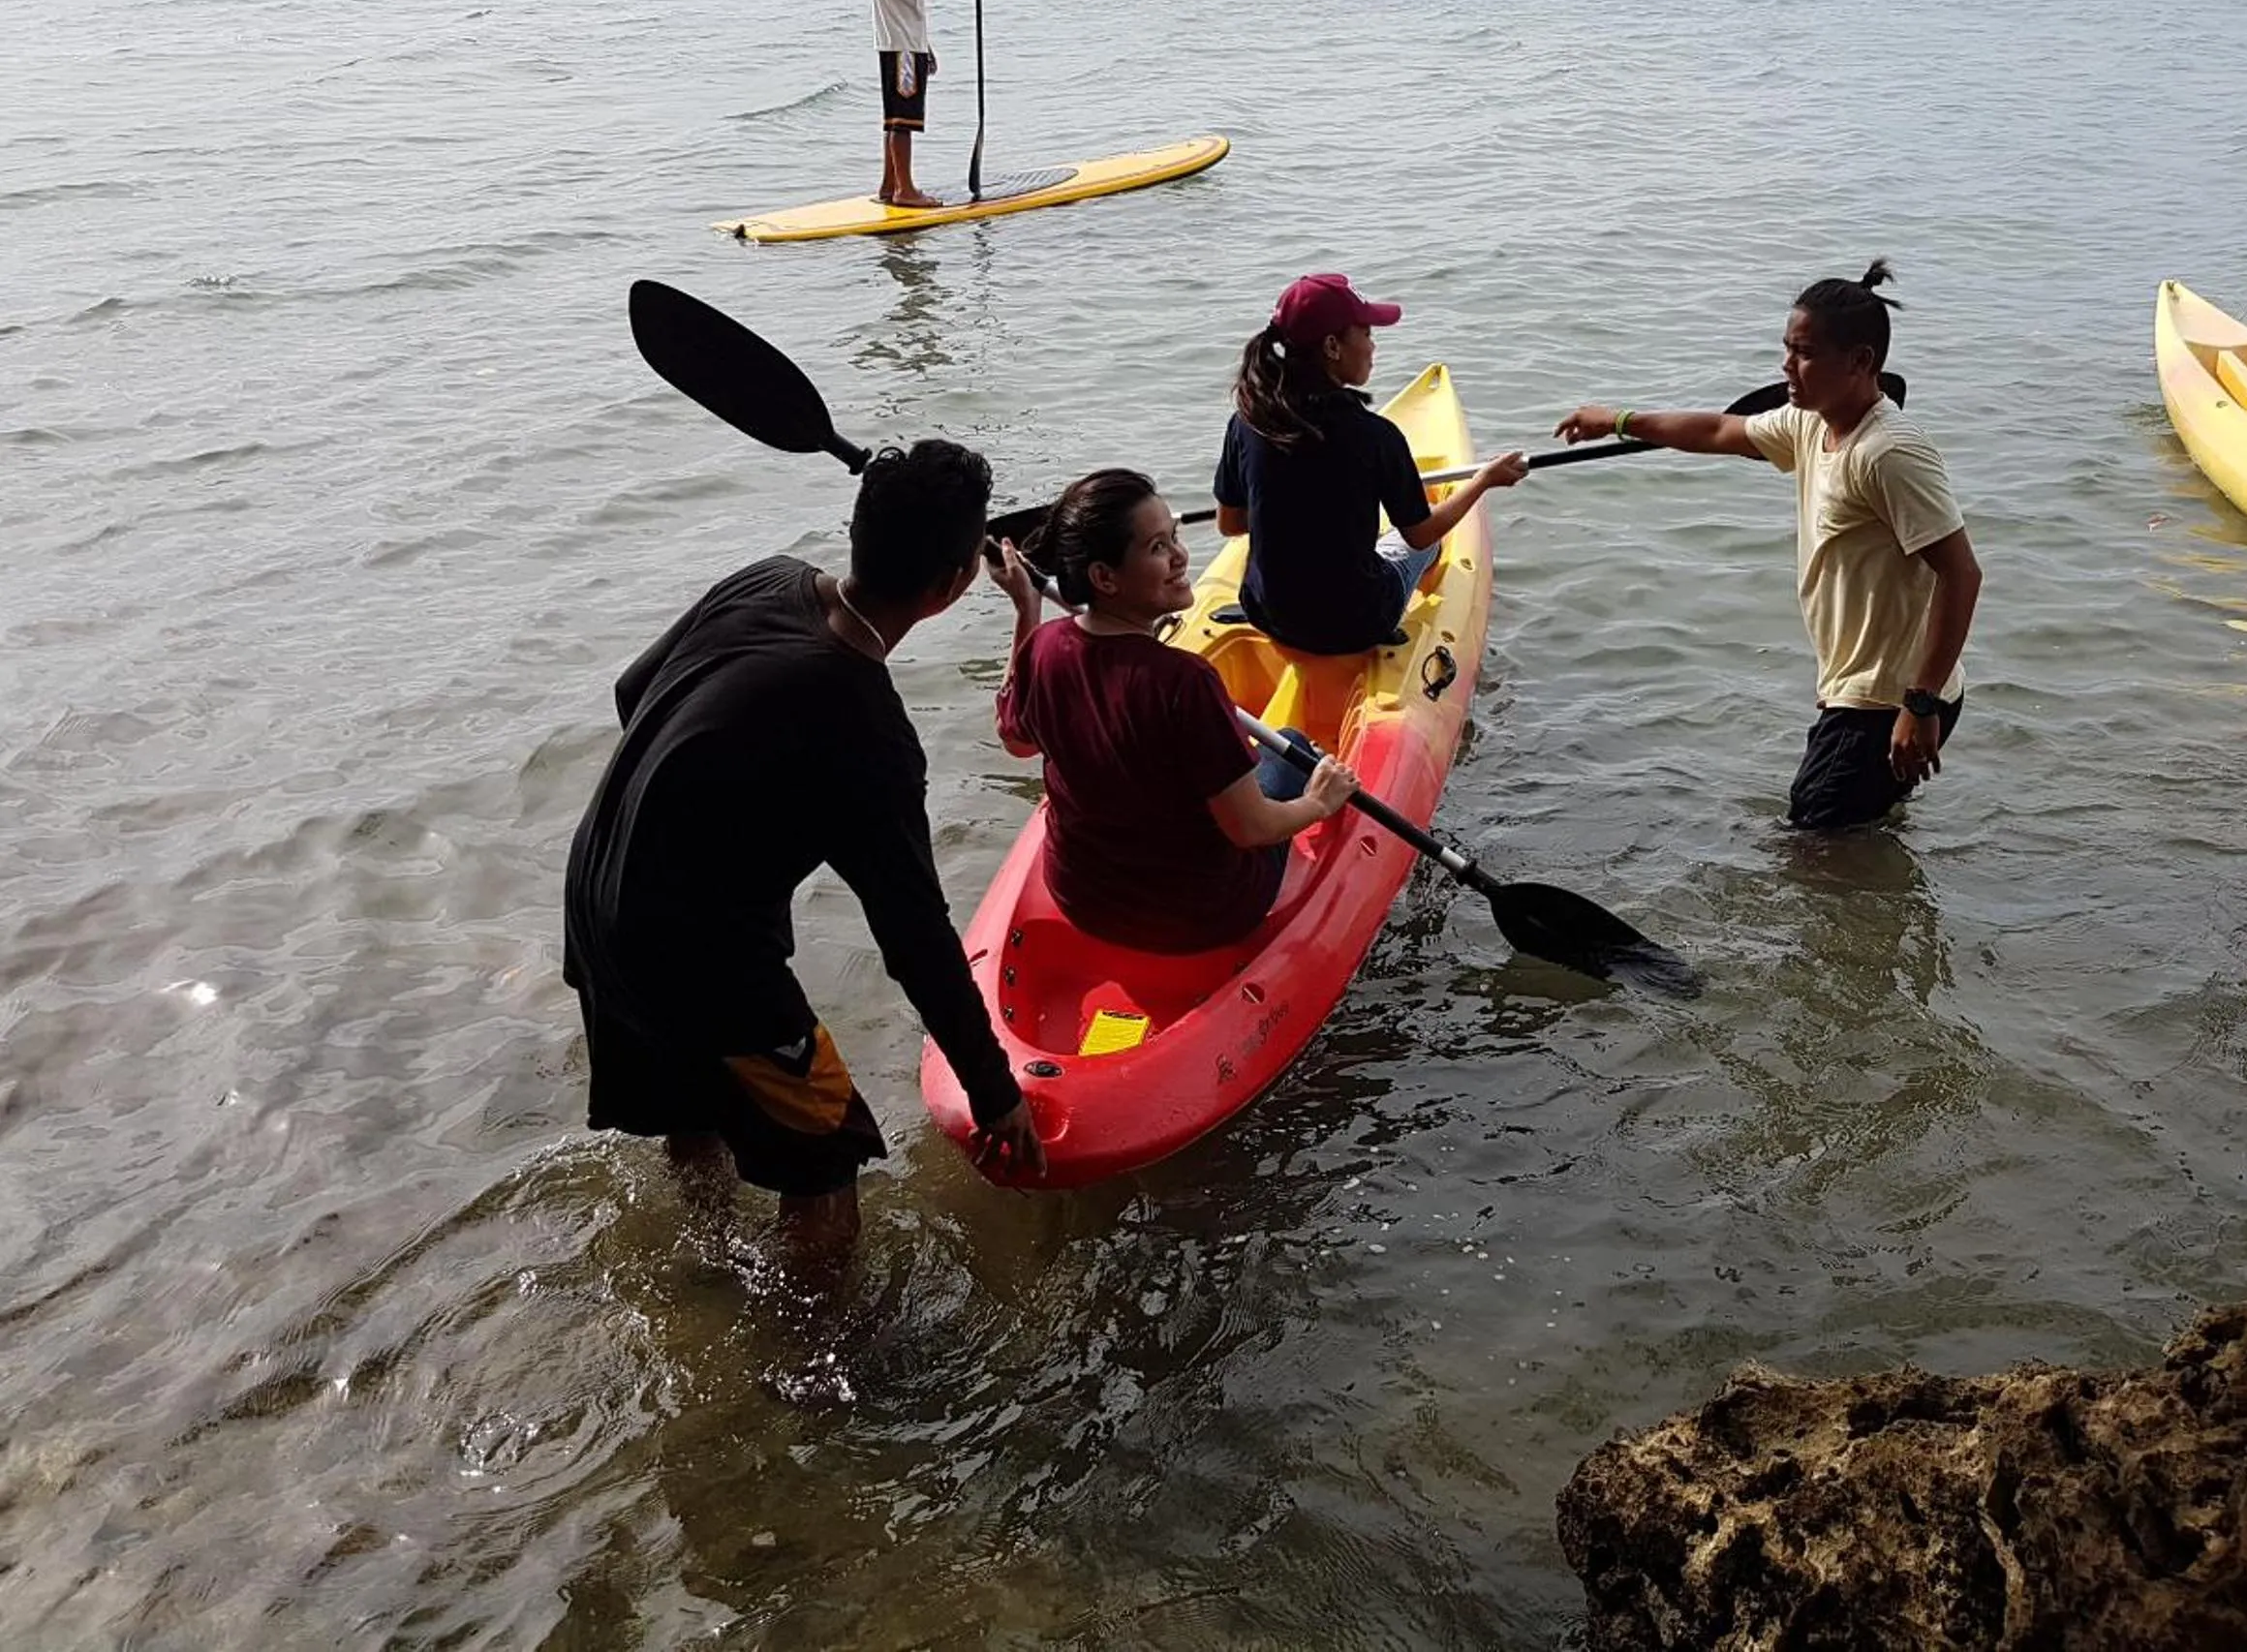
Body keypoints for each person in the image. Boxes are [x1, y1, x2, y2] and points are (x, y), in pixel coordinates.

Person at [562, 440, 1044, 1273]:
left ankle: (706, 1251)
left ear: (855, 529)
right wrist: (995, 1095)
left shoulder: (766, 577)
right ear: (955, 586)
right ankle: (811, 1372)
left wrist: (715, 811)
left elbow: (632, 691)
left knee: (691, 1095)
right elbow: (915, 940)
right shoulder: (865, 730)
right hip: (700, 956)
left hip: (597, 893)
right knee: (826, 1159)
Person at [1554, 264, 1983, 832]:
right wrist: (1618, 419)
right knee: (1860, 834)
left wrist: (1919, 705)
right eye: (1786, 349)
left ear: (1859, 362)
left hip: (1889, 700)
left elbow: (1962, 574)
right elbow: (1717, 432)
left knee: (1812, 850)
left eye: (1804, 353)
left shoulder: (1888, 453)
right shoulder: (1812, 424)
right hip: (1869, 691)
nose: (1786, 367)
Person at [991, 470, 1362, 951]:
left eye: (1174, 537)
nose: (1181, 557)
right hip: (1205, 915)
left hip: (1083, 902)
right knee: (1290, 746)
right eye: (1157, 548)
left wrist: (1026, 609)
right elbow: (1250, 829)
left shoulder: (1043, 648)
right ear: (1104, 577)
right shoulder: (1184, 681)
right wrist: (1319, 803)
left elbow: (1015, 740)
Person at [1213, 273, 1528, 656]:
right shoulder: (1375, 435)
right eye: (1365, 333)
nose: (1373, 346)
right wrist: (1484, 480)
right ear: (1332, 346)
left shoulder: (1246, 420)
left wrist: (1291, 505)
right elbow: (1421, 534)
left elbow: (1230, 524)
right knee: (1426, 548)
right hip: (1357, 623)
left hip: (1267, 614)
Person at [871, 0, 984, 209]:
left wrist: (925, 45)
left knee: (896, 118)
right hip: (901, 45)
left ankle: (889, 187)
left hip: (905, 41)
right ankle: (905, 191)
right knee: (903, 120)